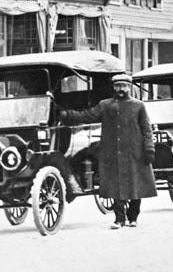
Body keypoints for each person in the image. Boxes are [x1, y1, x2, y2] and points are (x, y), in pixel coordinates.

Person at [60, 73, 156, 228]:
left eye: (124, 86)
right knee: (116, 186)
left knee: (135, 186)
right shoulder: (105, 105)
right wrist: (68, 114)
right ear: (113, 87)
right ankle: (119, 220)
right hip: (113, 153)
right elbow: (88, 115)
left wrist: (149, 149)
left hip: (135, 153)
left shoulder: (138, 106)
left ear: (129, 87)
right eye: (118, 86)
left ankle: (133, 217)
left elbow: (146, 129)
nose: (121, 89)